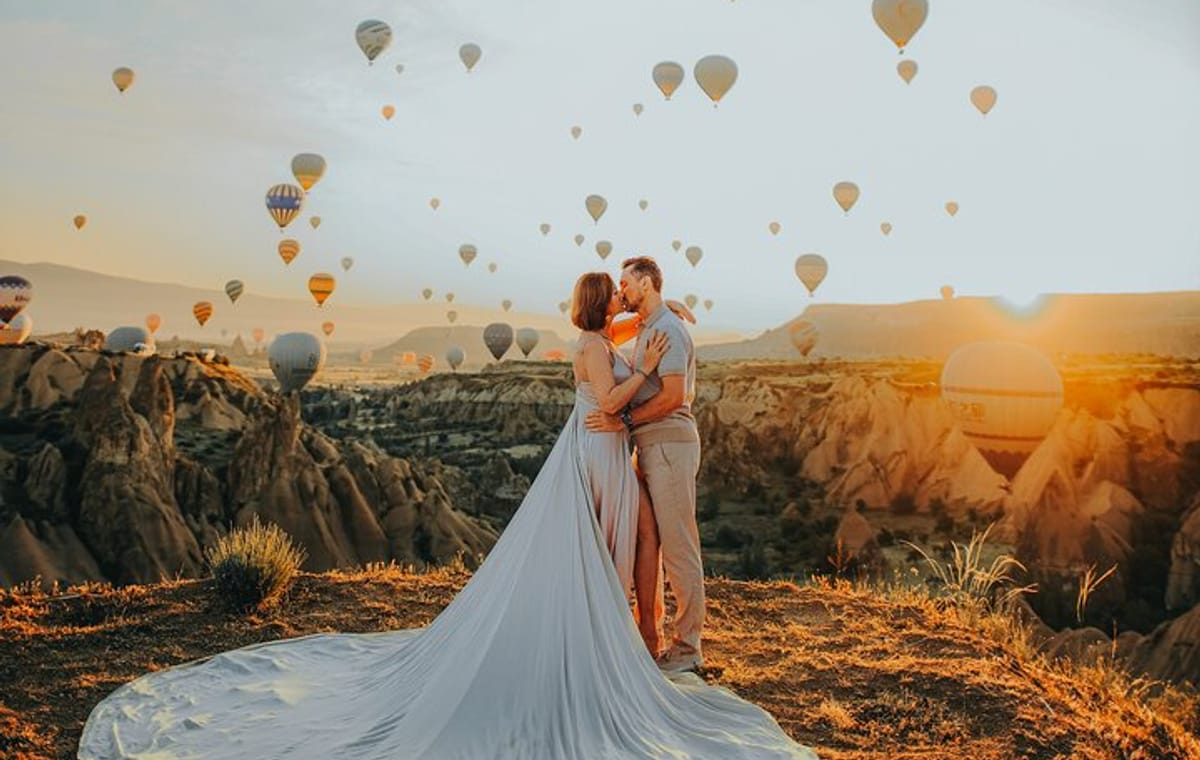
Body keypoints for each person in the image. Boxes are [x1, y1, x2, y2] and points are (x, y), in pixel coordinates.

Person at [77, 271, 816, 759]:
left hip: (611, 454)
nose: (627, 300)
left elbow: (631, 353)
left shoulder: (606, 334)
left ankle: (636, 641)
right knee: (609, 551)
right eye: (619, 294)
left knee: (619, 550)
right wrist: (647, 371)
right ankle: (623, 644)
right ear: (604, 305)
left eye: (635, 291)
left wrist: (665, 325)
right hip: (603, 451)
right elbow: (612, 397)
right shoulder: (598, 345)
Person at [587, 256, 704, 674]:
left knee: (678, 546)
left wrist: (626, 420)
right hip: (648, 446)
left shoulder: (667, 330)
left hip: (669, 443)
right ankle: (648, 635)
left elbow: (674, 396)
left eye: (626, 284)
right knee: (648, 539)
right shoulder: (651, 325)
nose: (621, 292)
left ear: (646, 284)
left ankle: (688, 649)